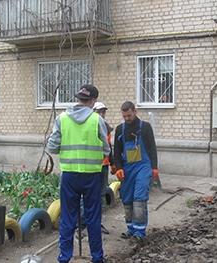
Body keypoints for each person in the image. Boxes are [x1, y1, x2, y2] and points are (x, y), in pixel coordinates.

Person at [47, 84, 110, 263]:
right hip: (91, 177)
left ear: (78, 98)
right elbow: (106, 150)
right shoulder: (97, 120)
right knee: (93, 218)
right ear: (93, 101)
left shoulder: (62, 119)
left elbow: (52, 147)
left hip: (69, 176)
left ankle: (64, 257)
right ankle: (97, 258)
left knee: (68, 218)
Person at [113, 101, 158, 241]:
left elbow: (152, 147)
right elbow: (117, 151)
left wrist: (154, 167)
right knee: (126, 198)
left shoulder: (145, 127)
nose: (127, 118)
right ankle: (130, 228)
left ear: (135, 111)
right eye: (124, 116)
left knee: (139, 197)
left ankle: (140, 231)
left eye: (129, 115)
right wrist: (118, 167)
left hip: (143, 166)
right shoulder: (120, 129)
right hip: (127, 168)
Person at [75, 102, 116, 239]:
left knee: (100, 196)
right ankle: (80, 226)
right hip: (91, 167)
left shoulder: (106, 127)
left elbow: (108, 147)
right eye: (99, 112)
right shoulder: (89, 126)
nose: (102, 114)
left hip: (103, 167)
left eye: (104, 112)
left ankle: (96, 224)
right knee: (87, 197)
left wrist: (112, 163)